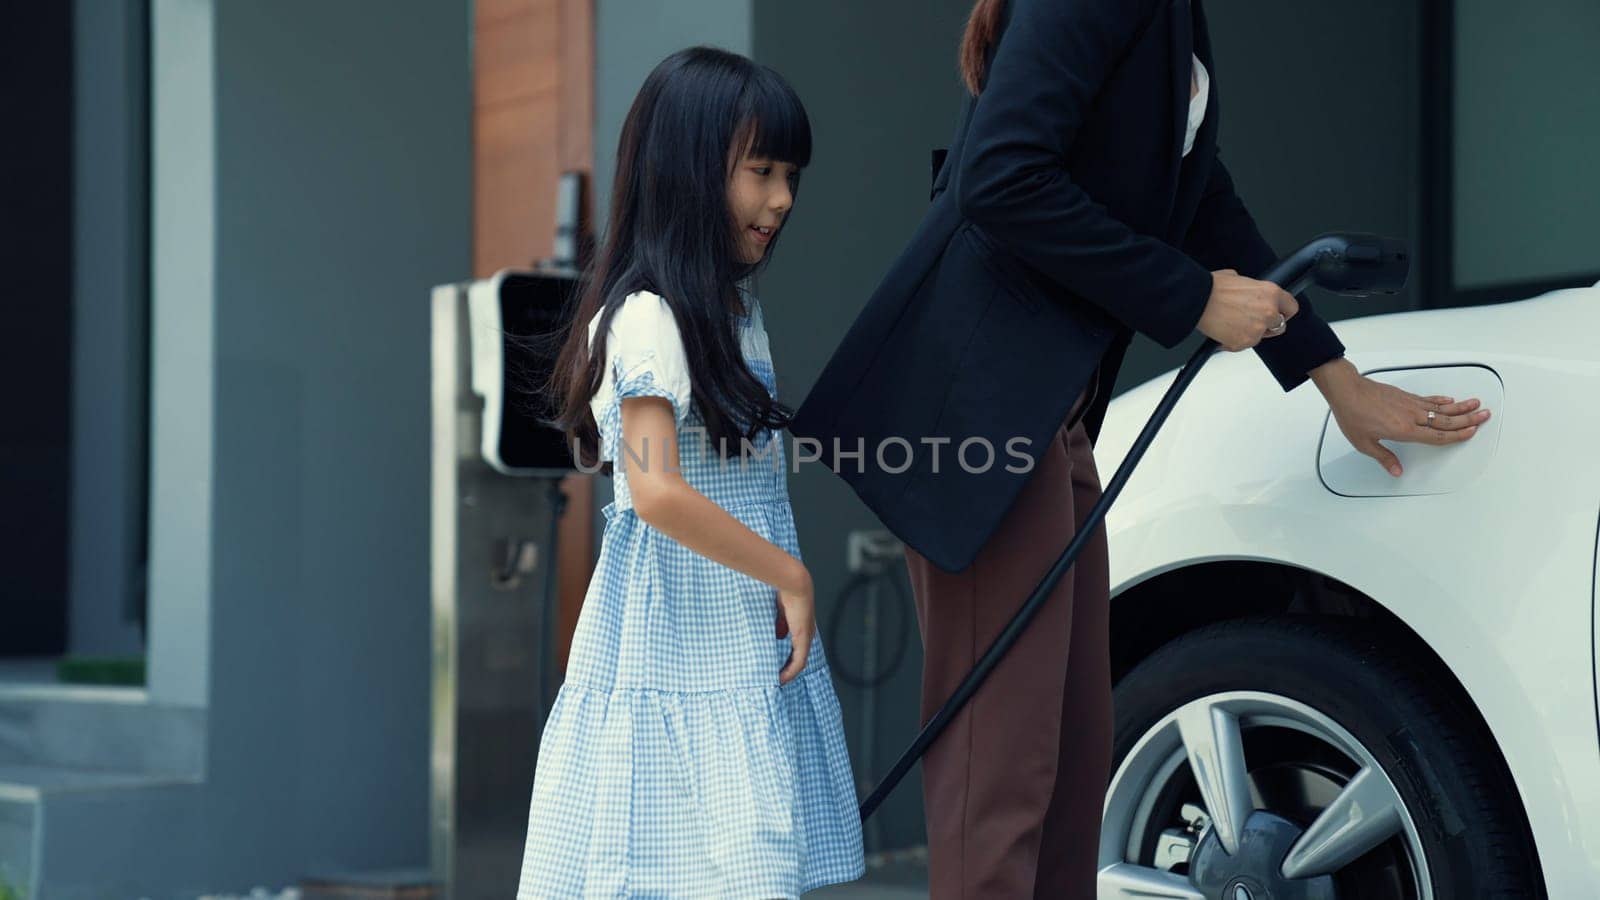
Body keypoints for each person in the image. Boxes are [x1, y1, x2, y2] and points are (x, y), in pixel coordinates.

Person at [789, 0, 1493, 896]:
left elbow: (1203, 201)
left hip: (1053, 418)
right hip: (983, 414)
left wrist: (1336, 379)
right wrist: (1194, 298)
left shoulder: (1170, 14)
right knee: (999, 773)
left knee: (1074, 766)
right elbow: (999, 177)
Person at [517, 46, 865, 898]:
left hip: (733, 636)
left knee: (737, 861)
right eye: (760, 170)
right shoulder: (647, 320)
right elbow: (656, 490)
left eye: (791, 174)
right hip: (675, 637)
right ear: (689, 169)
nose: (782, 198)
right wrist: (790, 574)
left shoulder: (734, 313)